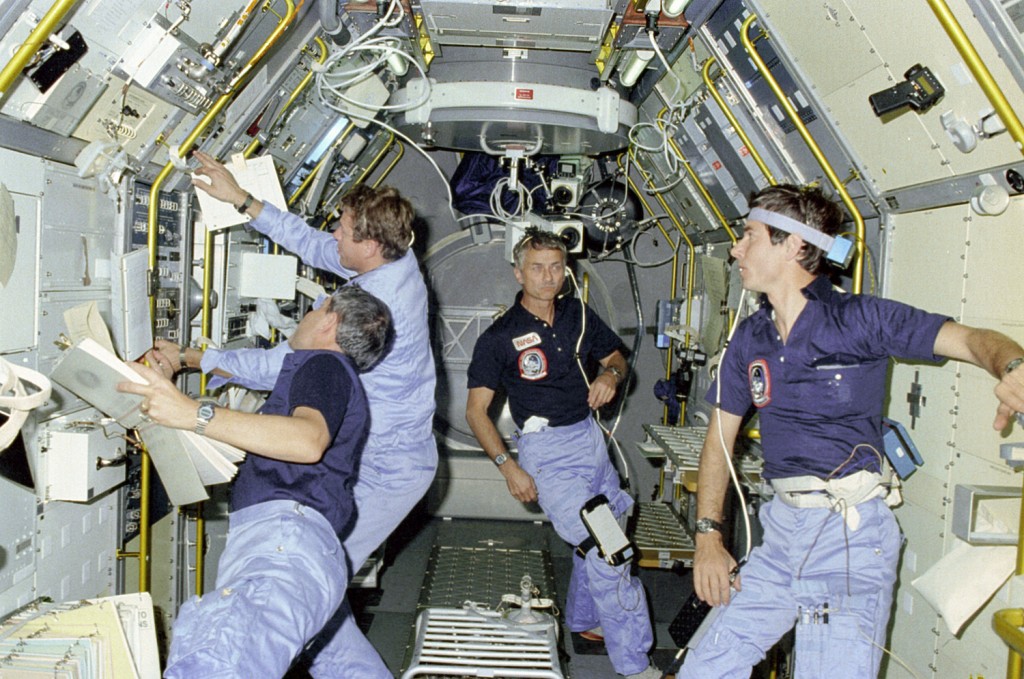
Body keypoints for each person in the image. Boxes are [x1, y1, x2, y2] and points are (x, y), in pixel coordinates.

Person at [680, 184, 1024, 677]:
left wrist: (1011, 364)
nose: (735, 248)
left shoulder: (861, 318)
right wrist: (708, 537)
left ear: (794, 246)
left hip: (847, 539)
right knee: (704, 668)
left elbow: (970, 341)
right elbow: (718, 441)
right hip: (781, 537)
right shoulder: (749, 339)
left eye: (748, 236)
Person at [149, 149, 437, 677]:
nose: (333, 239)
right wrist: (243, 200)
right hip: (385, 455)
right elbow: (317, 246)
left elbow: (276, 366)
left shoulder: (362, 322)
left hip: (388, 469)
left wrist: (193, 361)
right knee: (318, 602)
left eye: (343, 232)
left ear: (370, 246)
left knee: (308, 591)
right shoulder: (393, 259)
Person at [120, 286, 392, 678]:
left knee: (216, 664)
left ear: (330, 320)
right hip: (305, 552)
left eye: (315, 309)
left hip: (283, 549)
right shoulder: (327, 372)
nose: (305, 317)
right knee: (346, 666)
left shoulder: (324, 366)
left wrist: (192, 413)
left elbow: (306, 440)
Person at [465, 230, 660, 679]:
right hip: (547, 452)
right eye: (537, 267)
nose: (548, 276)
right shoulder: (501, 336)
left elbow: (616, 356)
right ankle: (635, 665)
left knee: (603, 527)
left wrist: (610, 374)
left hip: (590, 441)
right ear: (518, 272)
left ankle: (585, 619)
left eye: (556, 266)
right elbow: (476, 412)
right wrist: (507, 466)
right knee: (608, 548)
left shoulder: (577, 314)